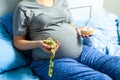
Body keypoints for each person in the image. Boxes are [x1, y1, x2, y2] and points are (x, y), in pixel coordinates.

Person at [13, 0, 120, 80]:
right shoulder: (24, 7)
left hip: (82, 50)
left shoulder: (61, 1)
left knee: (117, 66)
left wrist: (80, 30)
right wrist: (39, 44)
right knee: (101, 79)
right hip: (51, 61)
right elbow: (18, 42)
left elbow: (70, 26)